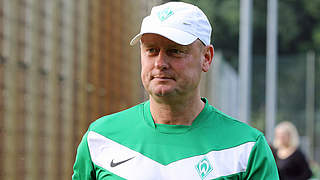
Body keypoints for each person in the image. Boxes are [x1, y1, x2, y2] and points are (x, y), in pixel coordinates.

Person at [72, 2, 279, 179]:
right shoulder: (100, 138)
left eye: (175, 51)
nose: (160, 63)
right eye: (151, 50)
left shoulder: (246, 149)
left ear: (206, 58)